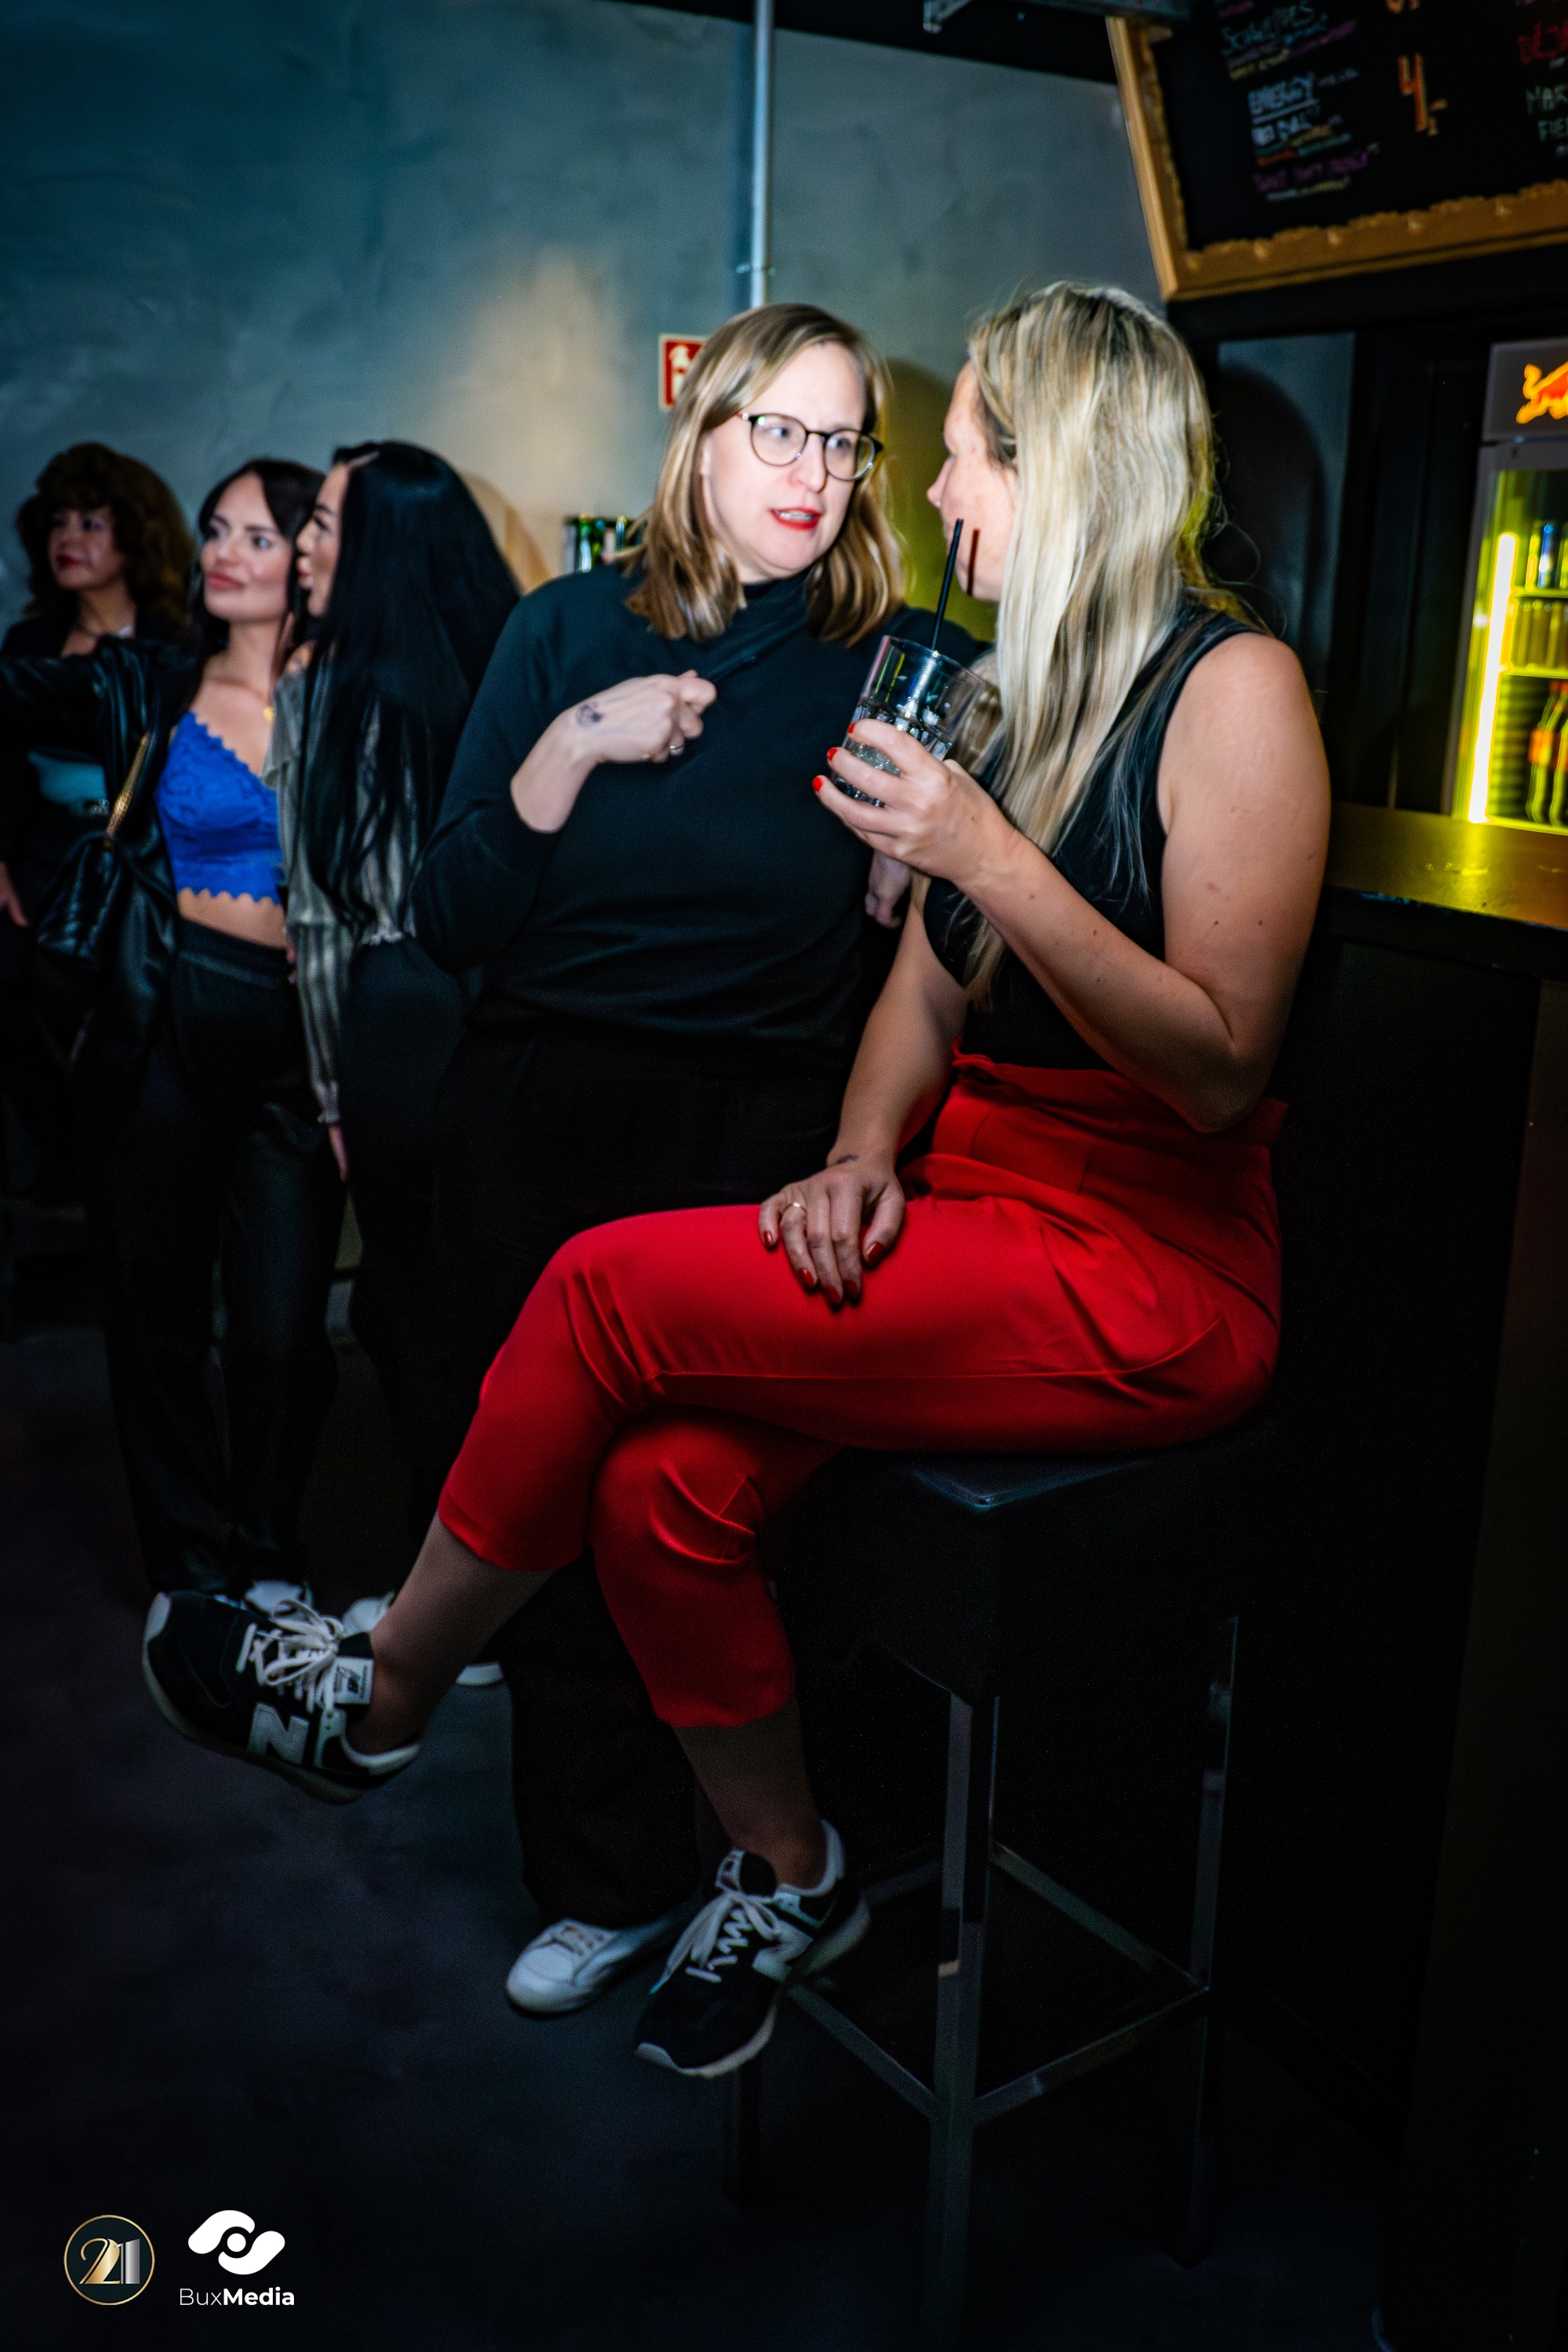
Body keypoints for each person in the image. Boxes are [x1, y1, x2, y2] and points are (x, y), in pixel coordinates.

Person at [145, 281, 1330, 2078]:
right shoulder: (1014, 689)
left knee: (602, 1293)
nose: (917, 491)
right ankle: (791, 1871)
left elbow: (1218, 1063)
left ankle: (380, 1691)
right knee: (655, 1491)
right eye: (814, 438)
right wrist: (859, 1153)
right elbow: (922, 989)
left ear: (1062, 466)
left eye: (945, 456)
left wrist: (975, 856)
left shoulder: (1223, 686)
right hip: (932, 1184)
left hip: (1140, 1260)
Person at [346, 303, 975, 2016]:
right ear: (704, 437)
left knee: (720, 1517)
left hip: (761, 1136)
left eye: (844, 442)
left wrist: (913, 876)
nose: (814, 471)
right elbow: (452, 915)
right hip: (540, 1115)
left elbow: (955, 938)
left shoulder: (907, 660)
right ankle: (603, 1881)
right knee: (546, 1515)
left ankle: (763, 1870)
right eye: (782, 430)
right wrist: (575, 744)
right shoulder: (562, 631)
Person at [0, 458, 343, 1598]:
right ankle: (191, 1565)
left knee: (282, 1334)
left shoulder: (354, 693)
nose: (222, 555)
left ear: (310, 557)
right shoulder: (143, 680)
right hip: (156, 1021)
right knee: (156, 1325)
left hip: (297, 1044)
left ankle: (268, 1551)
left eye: (256, 537)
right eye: (214, 531)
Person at [274, 442, 517, 1460]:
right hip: (515, 1016)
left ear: (383, 547)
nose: (302, 546)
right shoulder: (516, 664)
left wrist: (335, 1096)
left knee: (411, 1307)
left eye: (326, 524)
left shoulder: (320, 686)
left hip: (401, 1017)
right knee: (501, 1303)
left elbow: (319, 921)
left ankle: (438, 1536)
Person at [0, 444, 193, 1204]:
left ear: (135, 537)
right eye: (57, 522)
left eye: (91, 522)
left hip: (137, 857)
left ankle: (129, 1175)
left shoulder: (177, 648)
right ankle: (68, 1169)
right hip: (42, 850)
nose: (67, 538)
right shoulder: (29, 644)